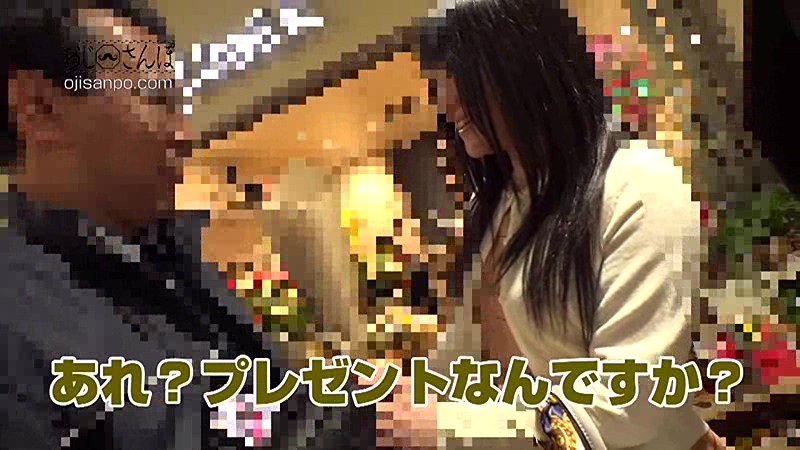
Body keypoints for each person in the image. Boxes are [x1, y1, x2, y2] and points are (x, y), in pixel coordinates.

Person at [0, 1, 375, 448]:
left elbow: (261, 411)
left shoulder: (173, 258)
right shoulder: (17, 326)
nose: (186, 134)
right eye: (158, 101)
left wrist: (370, 412)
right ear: (40, 109)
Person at [418, 0, 726, 448]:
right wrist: (407, 399)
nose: (445, 99)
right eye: (437, 77)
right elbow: (466, 353)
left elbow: (632, 401)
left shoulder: (637, 185)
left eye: (458, 71)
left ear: (523, 62)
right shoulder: (499, 206)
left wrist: (449, 427)